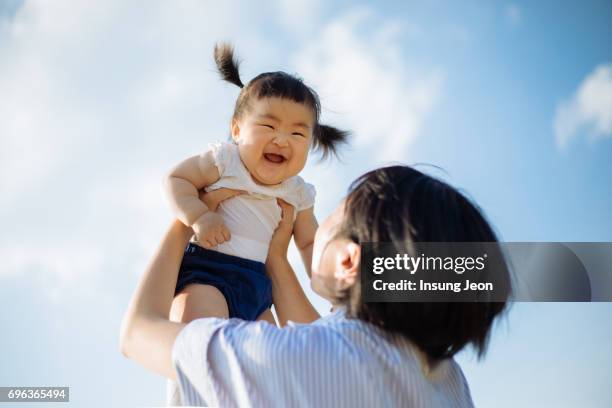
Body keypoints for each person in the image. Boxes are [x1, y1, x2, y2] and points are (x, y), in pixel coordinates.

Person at [120, 165, 511, 407]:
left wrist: (188, 220)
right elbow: (329, 342)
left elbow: (138, 333)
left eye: (329, 221)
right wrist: (276, 259)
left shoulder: (287, 360)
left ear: (347, 261)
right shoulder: (448, 381)